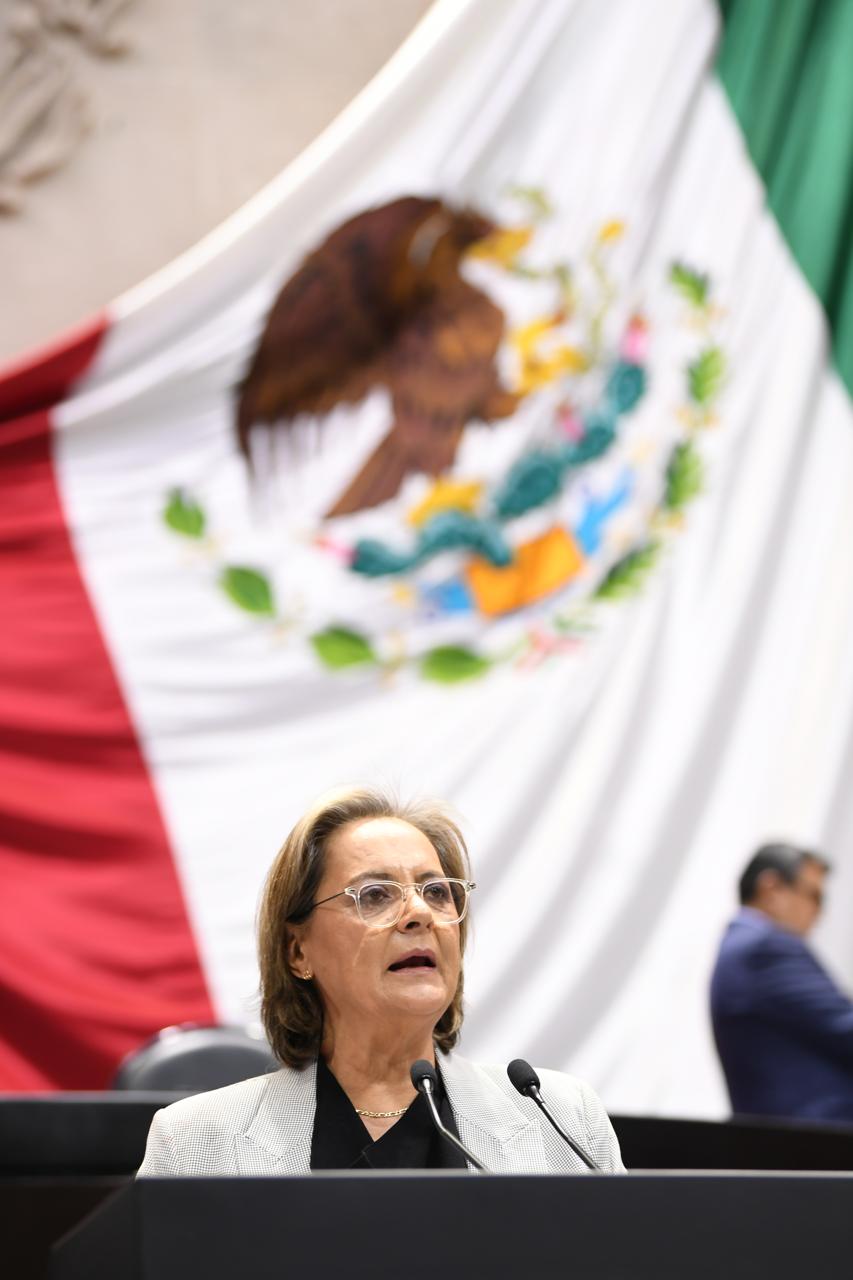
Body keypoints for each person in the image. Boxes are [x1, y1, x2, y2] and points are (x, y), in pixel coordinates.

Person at [138, 786, 623, 1174]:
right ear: (298, 951)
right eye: (374, 895)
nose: (419, 913)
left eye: (437, 892)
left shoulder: (561, 1120)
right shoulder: (195, 1143)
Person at [710, 841, 853, 1122]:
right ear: (771, 888)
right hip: (818, 1135)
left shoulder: (742, 946)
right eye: (814, 896)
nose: (819, 912)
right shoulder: (765, 948)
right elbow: (845, 1028)